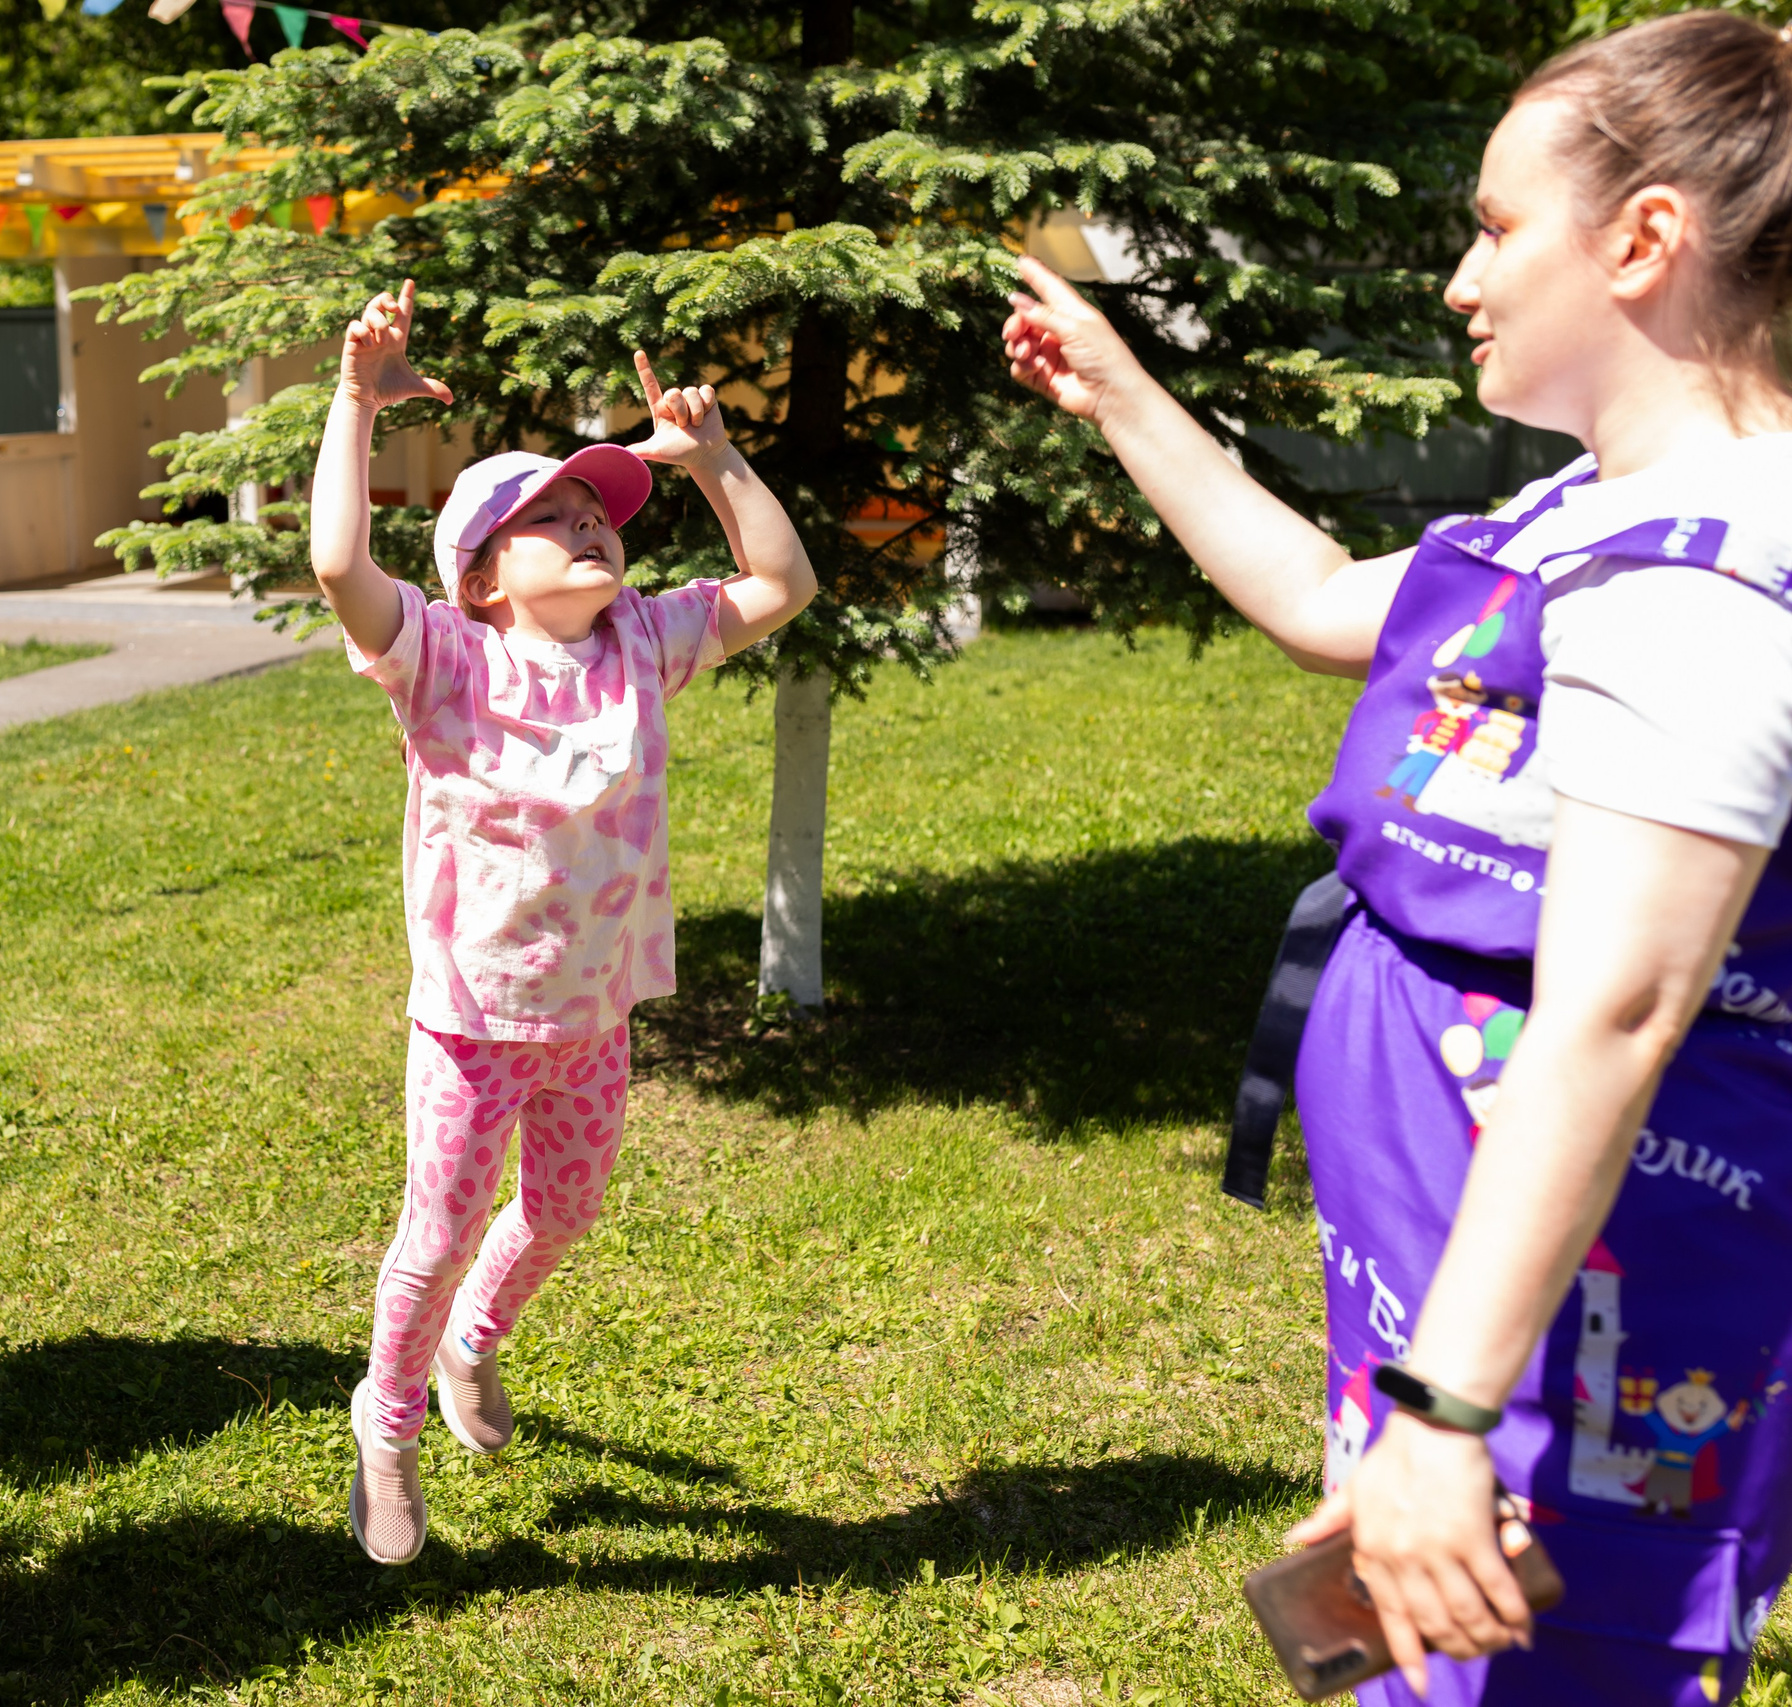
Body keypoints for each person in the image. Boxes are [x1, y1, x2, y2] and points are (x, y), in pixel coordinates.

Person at [1003, 11, 1792, 1703]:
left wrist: (1443, 1415)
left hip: (1594, 1345)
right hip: (1469, 1296)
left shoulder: (1707, 584)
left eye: (1498, 226)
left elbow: (1619, 1008)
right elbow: (1315, 605)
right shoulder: (1575, 513)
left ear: (1645, 241)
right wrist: (1123, 396)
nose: (1460, 276)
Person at [310, 280, 818, 1564]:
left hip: (594, 1012)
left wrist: (711, 458)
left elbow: (783, 579)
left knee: (566, 1211)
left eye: (598, 513)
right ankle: (388, 1415)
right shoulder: (444, 661)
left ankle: (479, 1339)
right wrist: (357, 399)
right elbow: (335, 563)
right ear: (480, 577)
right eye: (553, 521)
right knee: (435, 1230)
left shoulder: (645, 641)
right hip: (476, 1021)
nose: (592, 527)